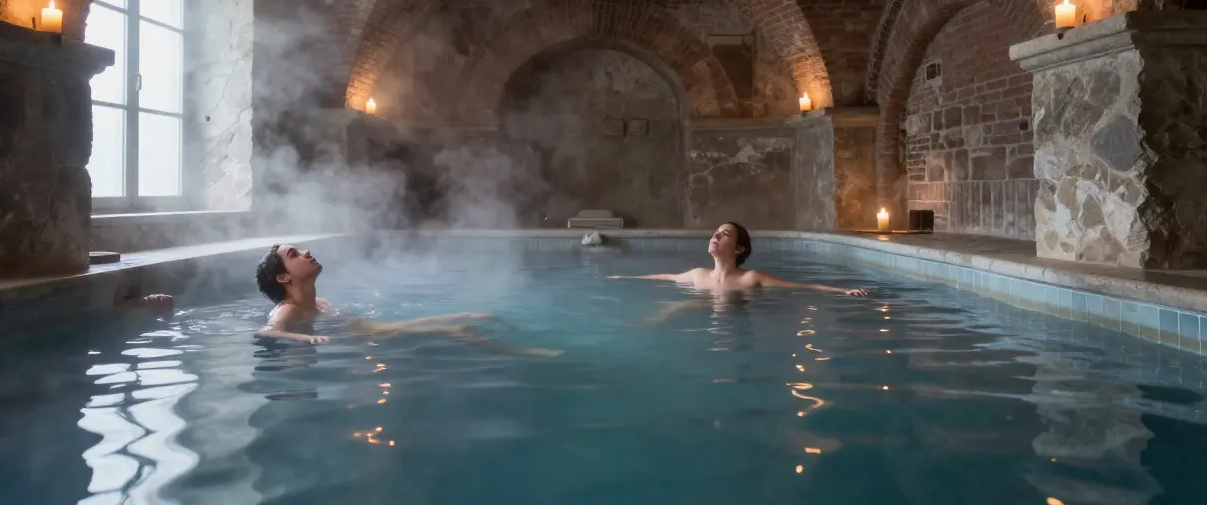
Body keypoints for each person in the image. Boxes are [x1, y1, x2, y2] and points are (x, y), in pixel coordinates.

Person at [255, 244, 562, 356]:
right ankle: (526, 353)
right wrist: (305, 340)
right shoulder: (289, 311)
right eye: (294, 255)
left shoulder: (320, 304)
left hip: (377, 331)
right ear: (284, 277)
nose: (307, 253)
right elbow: (267, 332)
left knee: (474, 318)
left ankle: (507, 341)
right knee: (460, 332)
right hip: (377, 337)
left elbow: (369, 327)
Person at [608, 222, 869, 297]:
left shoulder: (750, 279)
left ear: (739, 248)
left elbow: (801, 287)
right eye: (716, 232)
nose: (717, 235)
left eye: (725, 234)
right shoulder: (698, 274)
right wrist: (625, 277)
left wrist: (843, 290)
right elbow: (666, 277)